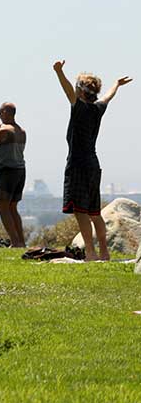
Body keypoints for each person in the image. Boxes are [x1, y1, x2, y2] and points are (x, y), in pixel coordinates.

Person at [53, 61, 132, 260]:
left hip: (77, 164)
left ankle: (90, 252)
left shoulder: (78, 107)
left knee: (81, 212)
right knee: (94, 212)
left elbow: (67, 90)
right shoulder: (97, 109)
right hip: (93, 164)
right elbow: (108, 97)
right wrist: (116, 84)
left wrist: (59, 72)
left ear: (81, 92)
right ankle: (104, 252)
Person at [0, 102, 27, 248]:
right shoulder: (22, 131)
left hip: (8, 172)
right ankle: (21, 241)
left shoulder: (4, 131)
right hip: (21, 171)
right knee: (12, 207)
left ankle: (15, 242)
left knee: (2, 207)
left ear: (7, 112)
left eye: (0, 112)